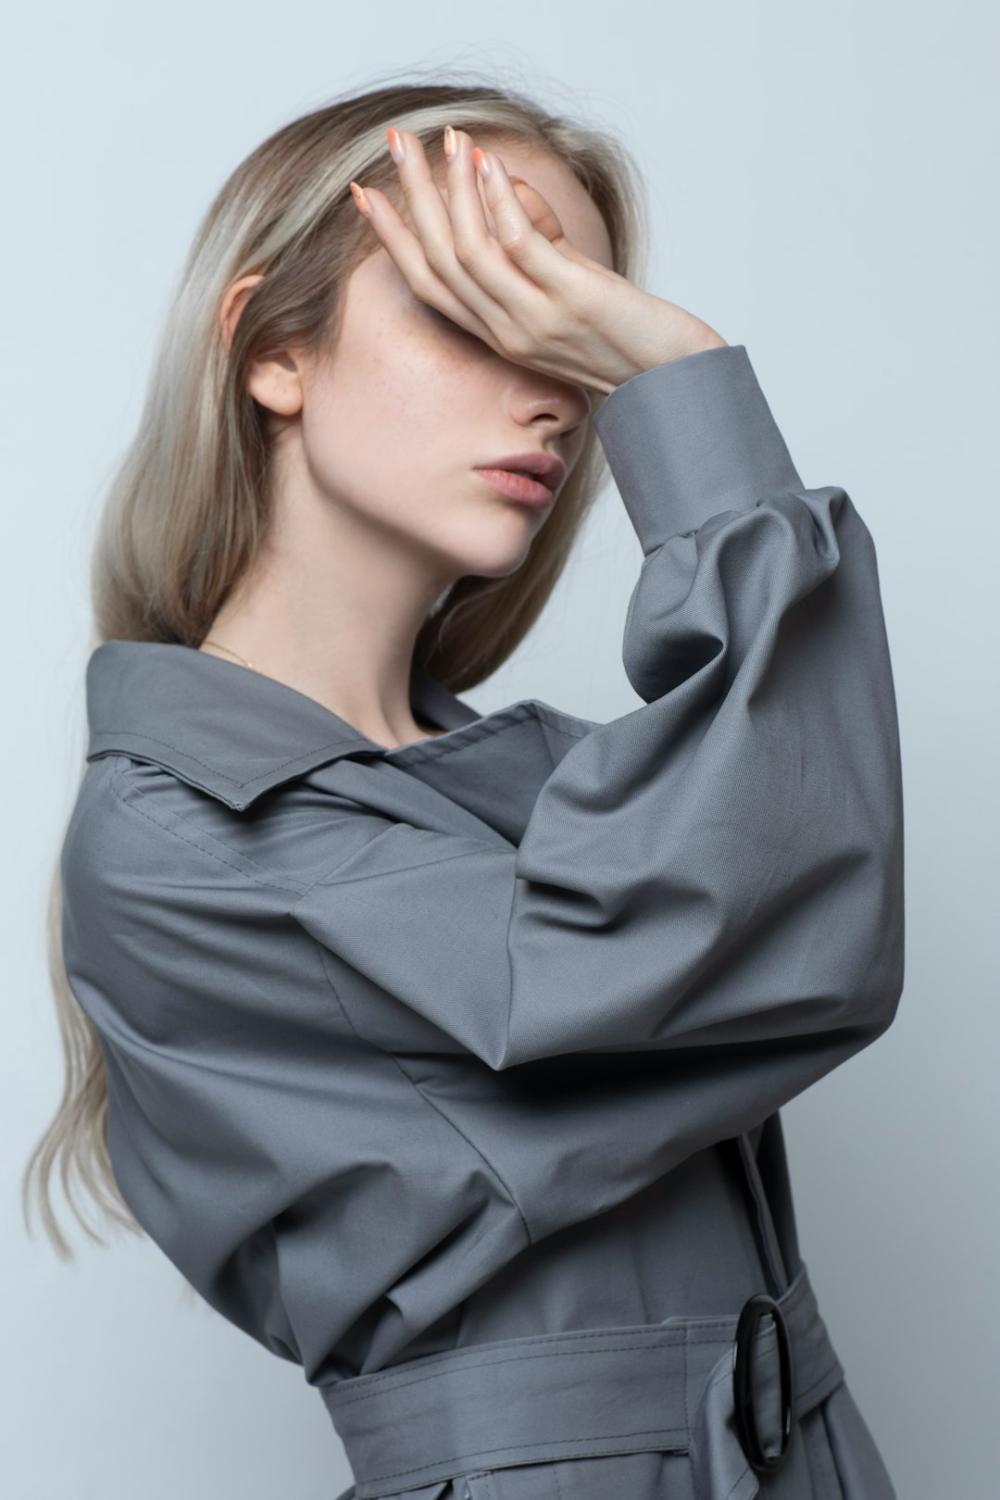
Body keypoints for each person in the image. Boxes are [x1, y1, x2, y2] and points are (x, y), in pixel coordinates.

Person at [25, 79, 904, 1500]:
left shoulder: (526, 787)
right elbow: (777, 923)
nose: (556, 389)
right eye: (476, 296)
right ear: (275, 351)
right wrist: (686, 378)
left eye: (575, 330)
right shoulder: (181, 835)